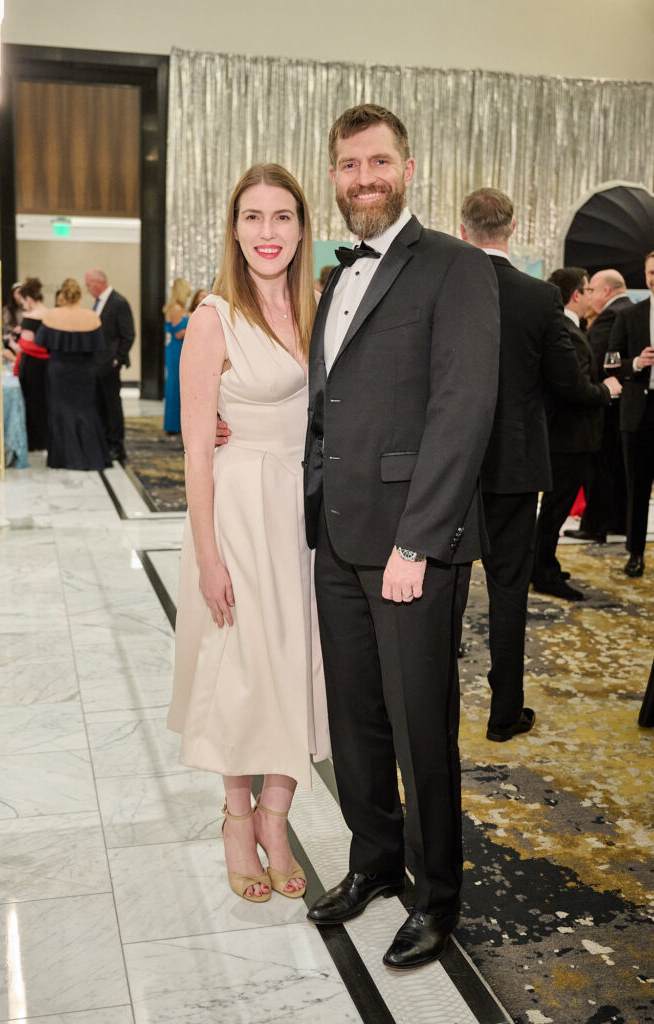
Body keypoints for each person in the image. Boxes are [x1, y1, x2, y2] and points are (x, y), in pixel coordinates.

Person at [303, 105, 500, 970]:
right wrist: (315, 493)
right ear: (336, 177)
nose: (363, 178)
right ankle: (373, 863)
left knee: (422, 729)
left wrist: (418, 543)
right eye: (348, 165)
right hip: (339, 541)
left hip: (411, 547)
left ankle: (436, 895)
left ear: (409, 169)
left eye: (378, 162)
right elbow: (330, 403)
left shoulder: (455, 268)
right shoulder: (332, 276)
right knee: (355, 722)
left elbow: (463, 411)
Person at [167, 164, 330, 904]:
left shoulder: (321, 308)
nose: (269, 232)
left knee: (297, 666)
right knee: (240, 670)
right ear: (234, 229)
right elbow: (197, 449)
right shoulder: (213, 317)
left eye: (283, 217)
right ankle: (237, 820)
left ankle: (276, 817)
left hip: (304, 510)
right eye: (254, 217)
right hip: (237, 510)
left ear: (301, 227)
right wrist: (208, 557)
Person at [459, 188, 584, 742]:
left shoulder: (447, 289)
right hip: (513, 463)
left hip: (451, 466)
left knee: (442, 590)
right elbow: (563, 379)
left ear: (463, 230)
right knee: (509, 589)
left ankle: (428, 708)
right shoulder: (540, 297)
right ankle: (504, 710)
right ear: (513, 226)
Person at [532, 267, 619, 600]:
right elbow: (574, 389)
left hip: (565, 436)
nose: (591, 296)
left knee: (554, 510)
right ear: (576, 295)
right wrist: (606, 390)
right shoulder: (565, 330)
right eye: (586, 289)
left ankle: (542, 565)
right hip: (569, 438)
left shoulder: (566, 327)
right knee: (555, 510)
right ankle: (543, 573)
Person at [564, 269, 631, 542]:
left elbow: (595, 361)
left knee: (601, 468)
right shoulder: (632, 310)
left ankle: (596, 525)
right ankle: (617, 522)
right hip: (625, 407)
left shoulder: (611, 317)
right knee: (619, 469)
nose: (588, 296)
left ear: (606, 291)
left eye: (591, 289)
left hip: (607, 406)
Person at [34, 278, 111, 471]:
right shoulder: (92, 316)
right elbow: (100, 347)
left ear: (63, 295)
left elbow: (40, 341)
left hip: (59, 370)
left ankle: (62, 458)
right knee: (86, 411)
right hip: (85, 372)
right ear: (80, 295)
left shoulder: (52, 315)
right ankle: (90, 457)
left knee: (61, 412)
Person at [609, 251, 654, 578]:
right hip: (639, 412)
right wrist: (636, 363)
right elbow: (611, 363)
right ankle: (635, 553)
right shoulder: (630, 315)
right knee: (637, 487)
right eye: (651, 272)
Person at [84, 268, 135, 462]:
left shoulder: (118, 302)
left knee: (112, 406)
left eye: (89, 284)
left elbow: (128, 334)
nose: (87, 288)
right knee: (100, 405)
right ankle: (104, 442)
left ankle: (117, 446)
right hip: (96, 364)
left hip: (109, 365)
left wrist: (117, 359)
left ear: (99, 283)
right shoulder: (99, 303)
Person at [17, 277, 50, 450]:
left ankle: (34, 442)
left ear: (28, 299)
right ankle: (45, 438)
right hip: (48, 365)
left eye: (22, 301)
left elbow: (27, 345)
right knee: (44, 401)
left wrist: (17, 341)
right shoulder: (50, 313)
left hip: (32, 365)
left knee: (30, 401)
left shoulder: (29, 317)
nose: (22, 305)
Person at [162, 278, 192, 434]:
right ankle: (173, 425)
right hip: (177, 349)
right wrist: (194, 326)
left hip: (181, 349)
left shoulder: (180, 307)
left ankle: (179, 423)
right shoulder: (175, 308)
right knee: (175, 385)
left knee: (180, 385)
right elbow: (179, 333)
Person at [2, 281, 24, 361]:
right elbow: (5, 332)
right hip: (11, 347)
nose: (21, 295)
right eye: (18, 292)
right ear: (13, 295)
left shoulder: (28, 309)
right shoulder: (7, 311)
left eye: (23, 292)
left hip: (25, 346)